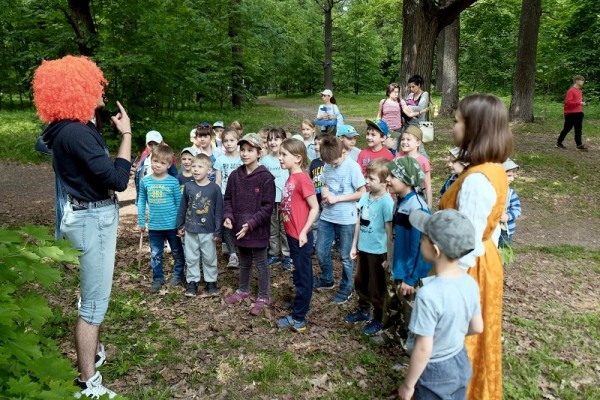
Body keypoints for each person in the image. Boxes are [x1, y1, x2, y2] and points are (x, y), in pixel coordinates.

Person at [33, 55, 132, 398]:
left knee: (93, 296)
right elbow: (119, 180)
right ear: (80, 88)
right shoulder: (77, 133)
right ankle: (87, 383)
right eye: (96, 83)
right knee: (93, 306)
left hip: (86, 216)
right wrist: (127, 133)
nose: (101, 87)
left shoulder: (69, 128)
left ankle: (95, 354)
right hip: (93, 220)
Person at [439, 94, 514, 400]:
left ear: (475, 128)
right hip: (484, 263)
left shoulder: (477, 180)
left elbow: (467, 242)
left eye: (456, 120)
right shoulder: (492, 169)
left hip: (470, 271)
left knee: (462, 338)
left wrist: (448, 286)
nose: (452, 126)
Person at [398, 209, 483, 400]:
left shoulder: (428, 294)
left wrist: (408, 385)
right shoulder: (470, 282)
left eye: (424, 238)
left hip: (434, 371)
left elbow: (423, 348)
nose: (420, 241)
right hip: (460, 360)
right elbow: (477, 327)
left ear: (435, 250)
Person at [224, 133, 276, 316]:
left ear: (259, 153)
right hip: (239, 228)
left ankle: (263, 296)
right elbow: (228, 199)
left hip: (257, 229)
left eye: (250, 150)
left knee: (261, 263)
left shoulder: (266, 177)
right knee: (244, 261)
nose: (245, 154)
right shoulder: (234, 176)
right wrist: (229, 216)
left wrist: (251, 224)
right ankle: (243, 290)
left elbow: (268, 207)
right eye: (243, 150)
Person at [381, 157, 431, 346]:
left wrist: (411, 278)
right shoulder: (401, 202)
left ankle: (408, 354)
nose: (388, 180)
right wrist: (390, 260)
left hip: (409, 274)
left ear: (407, 179)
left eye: (392, 176)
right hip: (397, 268)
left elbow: (419, 248)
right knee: (392, 305)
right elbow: (396, 237)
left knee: (410, 314)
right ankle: (389, 337)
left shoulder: (417, 208)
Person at [313, 135, 366, 304]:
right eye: (329, 162)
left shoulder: (352, 167)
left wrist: (338, 199)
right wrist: (325, 192)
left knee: (345, 256)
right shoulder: (328, 164)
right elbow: (324, 184)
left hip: (347, 219)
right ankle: (327, 279)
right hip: (327, 216)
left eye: (335, 162)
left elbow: (362, 193)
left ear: (343, 151)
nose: (332, 165)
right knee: (321, 250)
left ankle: (346, 287)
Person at [345, 159, 394, 336]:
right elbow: (359, 221)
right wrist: (354, 245)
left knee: (377, 286)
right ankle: (363, 310)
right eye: (366, 177)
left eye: (371, 178)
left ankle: (379, 318)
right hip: (364, 248)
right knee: (361, 281)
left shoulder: (387, 202)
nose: (366, 181)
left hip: (378, 252)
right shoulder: (365, 196)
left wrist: (389, 257)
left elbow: (389, 231)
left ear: (384, 181)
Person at [276, 138, 319, 332]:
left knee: (303, 275)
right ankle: (299, 305)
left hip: (301, 236)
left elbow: (315, 207)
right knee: (297, 272)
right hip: (292, 235)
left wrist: (303, 231)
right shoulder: (291, 177)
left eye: (284, 154)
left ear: (298, 158)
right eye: (280, 154)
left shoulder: (302, 179)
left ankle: (299, 318)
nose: (280, 158)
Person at [137, 144, 186, 292]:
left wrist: (180, 224)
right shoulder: (145, 181)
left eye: (163, 163)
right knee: (155, 254)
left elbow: (179, 204)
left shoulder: (173, 182)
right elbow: (141, 201)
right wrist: (141, 221)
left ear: (169, 164)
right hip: (154, 226)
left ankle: (178, 275)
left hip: (172, 226)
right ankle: (158, 278)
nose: (158, 165)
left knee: (177, 251)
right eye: (155, 161)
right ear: (151, 160)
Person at [177, 153, 224, 297]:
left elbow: (219, 211)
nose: (195, 169)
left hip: (208, 231)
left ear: (209, 171)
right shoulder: (189, 186)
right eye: (194, 166)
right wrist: (180, 225)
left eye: (200, 166)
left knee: (209, 257)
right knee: (191, 257)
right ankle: (192, 282)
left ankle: (211, 281)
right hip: (191, 229)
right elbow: (183, 207)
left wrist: (218, 231)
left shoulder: (214, 189)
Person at [260, 128, 292, 270]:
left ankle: (287, 254)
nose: (273, 142)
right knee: (273, 228)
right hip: (270, 200)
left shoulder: (286, 157)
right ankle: (274, 253)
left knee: (285, 229)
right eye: (270, 139)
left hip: (286, 200)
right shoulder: (264, 161)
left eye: (276, 139)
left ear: (283, 140)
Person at [214, 128, 243, 268]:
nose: (229, 143)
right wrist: (217, 196)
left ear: (238, 140)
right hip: (226, 195)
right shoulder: (220, 160)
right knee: (227, 222)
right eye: (226, 141)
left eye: (232, 140)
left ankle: (241, 249)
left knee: (240, 222)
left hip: (242, 196)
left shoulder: (242, 158)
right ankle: (233, 254)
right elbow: (218, 181)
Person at [134, 130, 178, 201]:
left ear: (162, 143)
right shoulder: (145, 159)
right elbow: (140, 178)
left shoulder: (168, 157)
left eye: (156, 144)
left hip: (164, 198)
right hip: (148, 197)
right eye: (150, 144)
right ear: (146, 145)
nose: (153, 147)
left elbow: (175, 176)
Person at [398, 126, 433, 210]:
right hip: (400, 198)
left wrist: (429, 207)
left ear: (418, 143)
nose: (404, 142)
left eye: (408, 139)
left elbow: (428, 186)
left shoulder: (423, 161)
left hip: (418, 197)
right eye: (403, 139)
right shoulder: (398, 157)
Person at [556, 75, 588, 151]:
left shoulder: (580, 91)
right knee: (567, 129)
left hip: (579, 113)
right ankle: (559, 142)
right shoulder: (571, 90)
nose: (583, 82)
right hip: (570, 113)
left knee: (578, 129)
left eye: (583, 80)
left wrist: (582, 104)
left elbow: (577, 102)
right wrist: (579, 103)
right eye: (582, 80)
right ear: (577, 80)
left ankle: (579, 145)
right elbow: (568, 102)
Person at [309, 133, 328, 246]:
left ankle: (327, 243)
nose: (316, 146)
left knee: (326, 221)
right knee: (315, 221)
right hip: (315, 197)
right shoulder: (314, 162)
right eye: (315, 144)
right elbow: (310, 178)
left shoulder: (329, 162)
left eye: (319, 144)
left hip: (326, 197)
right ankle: (314, 243)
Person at [499, 159, 522, 248]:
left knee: (502, 254)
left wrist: (508, 216)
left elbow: (517, 209)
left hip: (505, 231)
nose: (512, 179)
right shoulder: (491, 191)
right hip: (491, 230)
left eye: (513, 176)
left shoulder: (511, 193)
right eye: (509, 176)